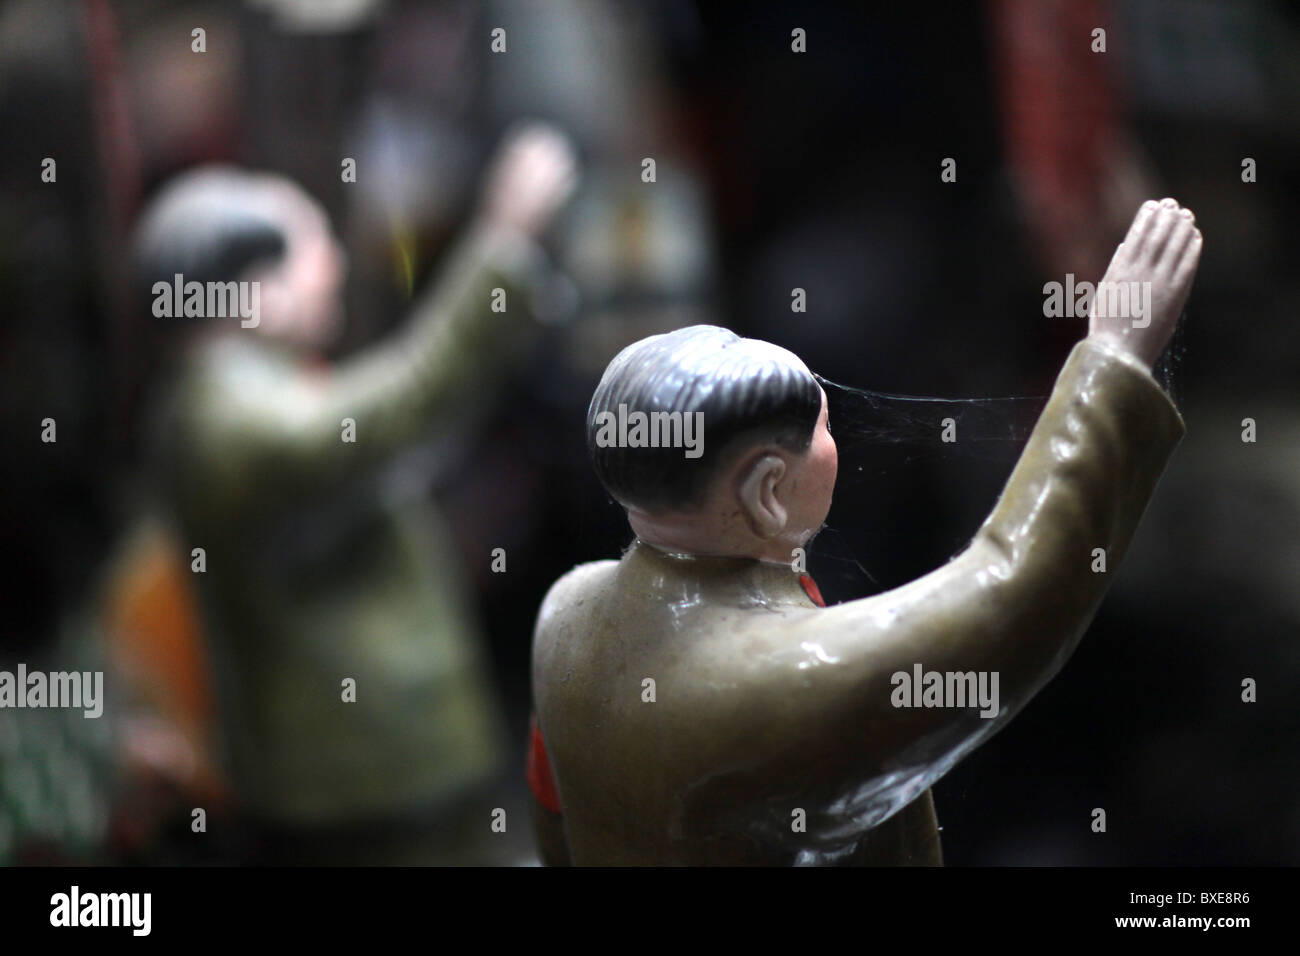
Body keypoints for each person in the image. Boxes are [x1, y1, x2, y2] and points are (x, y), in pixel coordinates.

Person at [529, 198, 1201, 865]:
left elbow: (555, 815)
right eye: (823, 429)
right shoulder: (770, 679)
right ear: (766, 492)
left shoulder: (566, 611)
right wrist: (1113, 358)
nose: (835, 443)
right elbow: (1007, 599)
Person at [134, 123, 578, 863]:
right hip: (362, 783)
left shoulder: (239, 394)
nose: (334, 264)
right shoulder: (225, 414)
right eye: (311, 249)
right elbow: (399, 407)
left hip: (374, 774)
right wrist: (502, 243)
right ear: (247, 287)